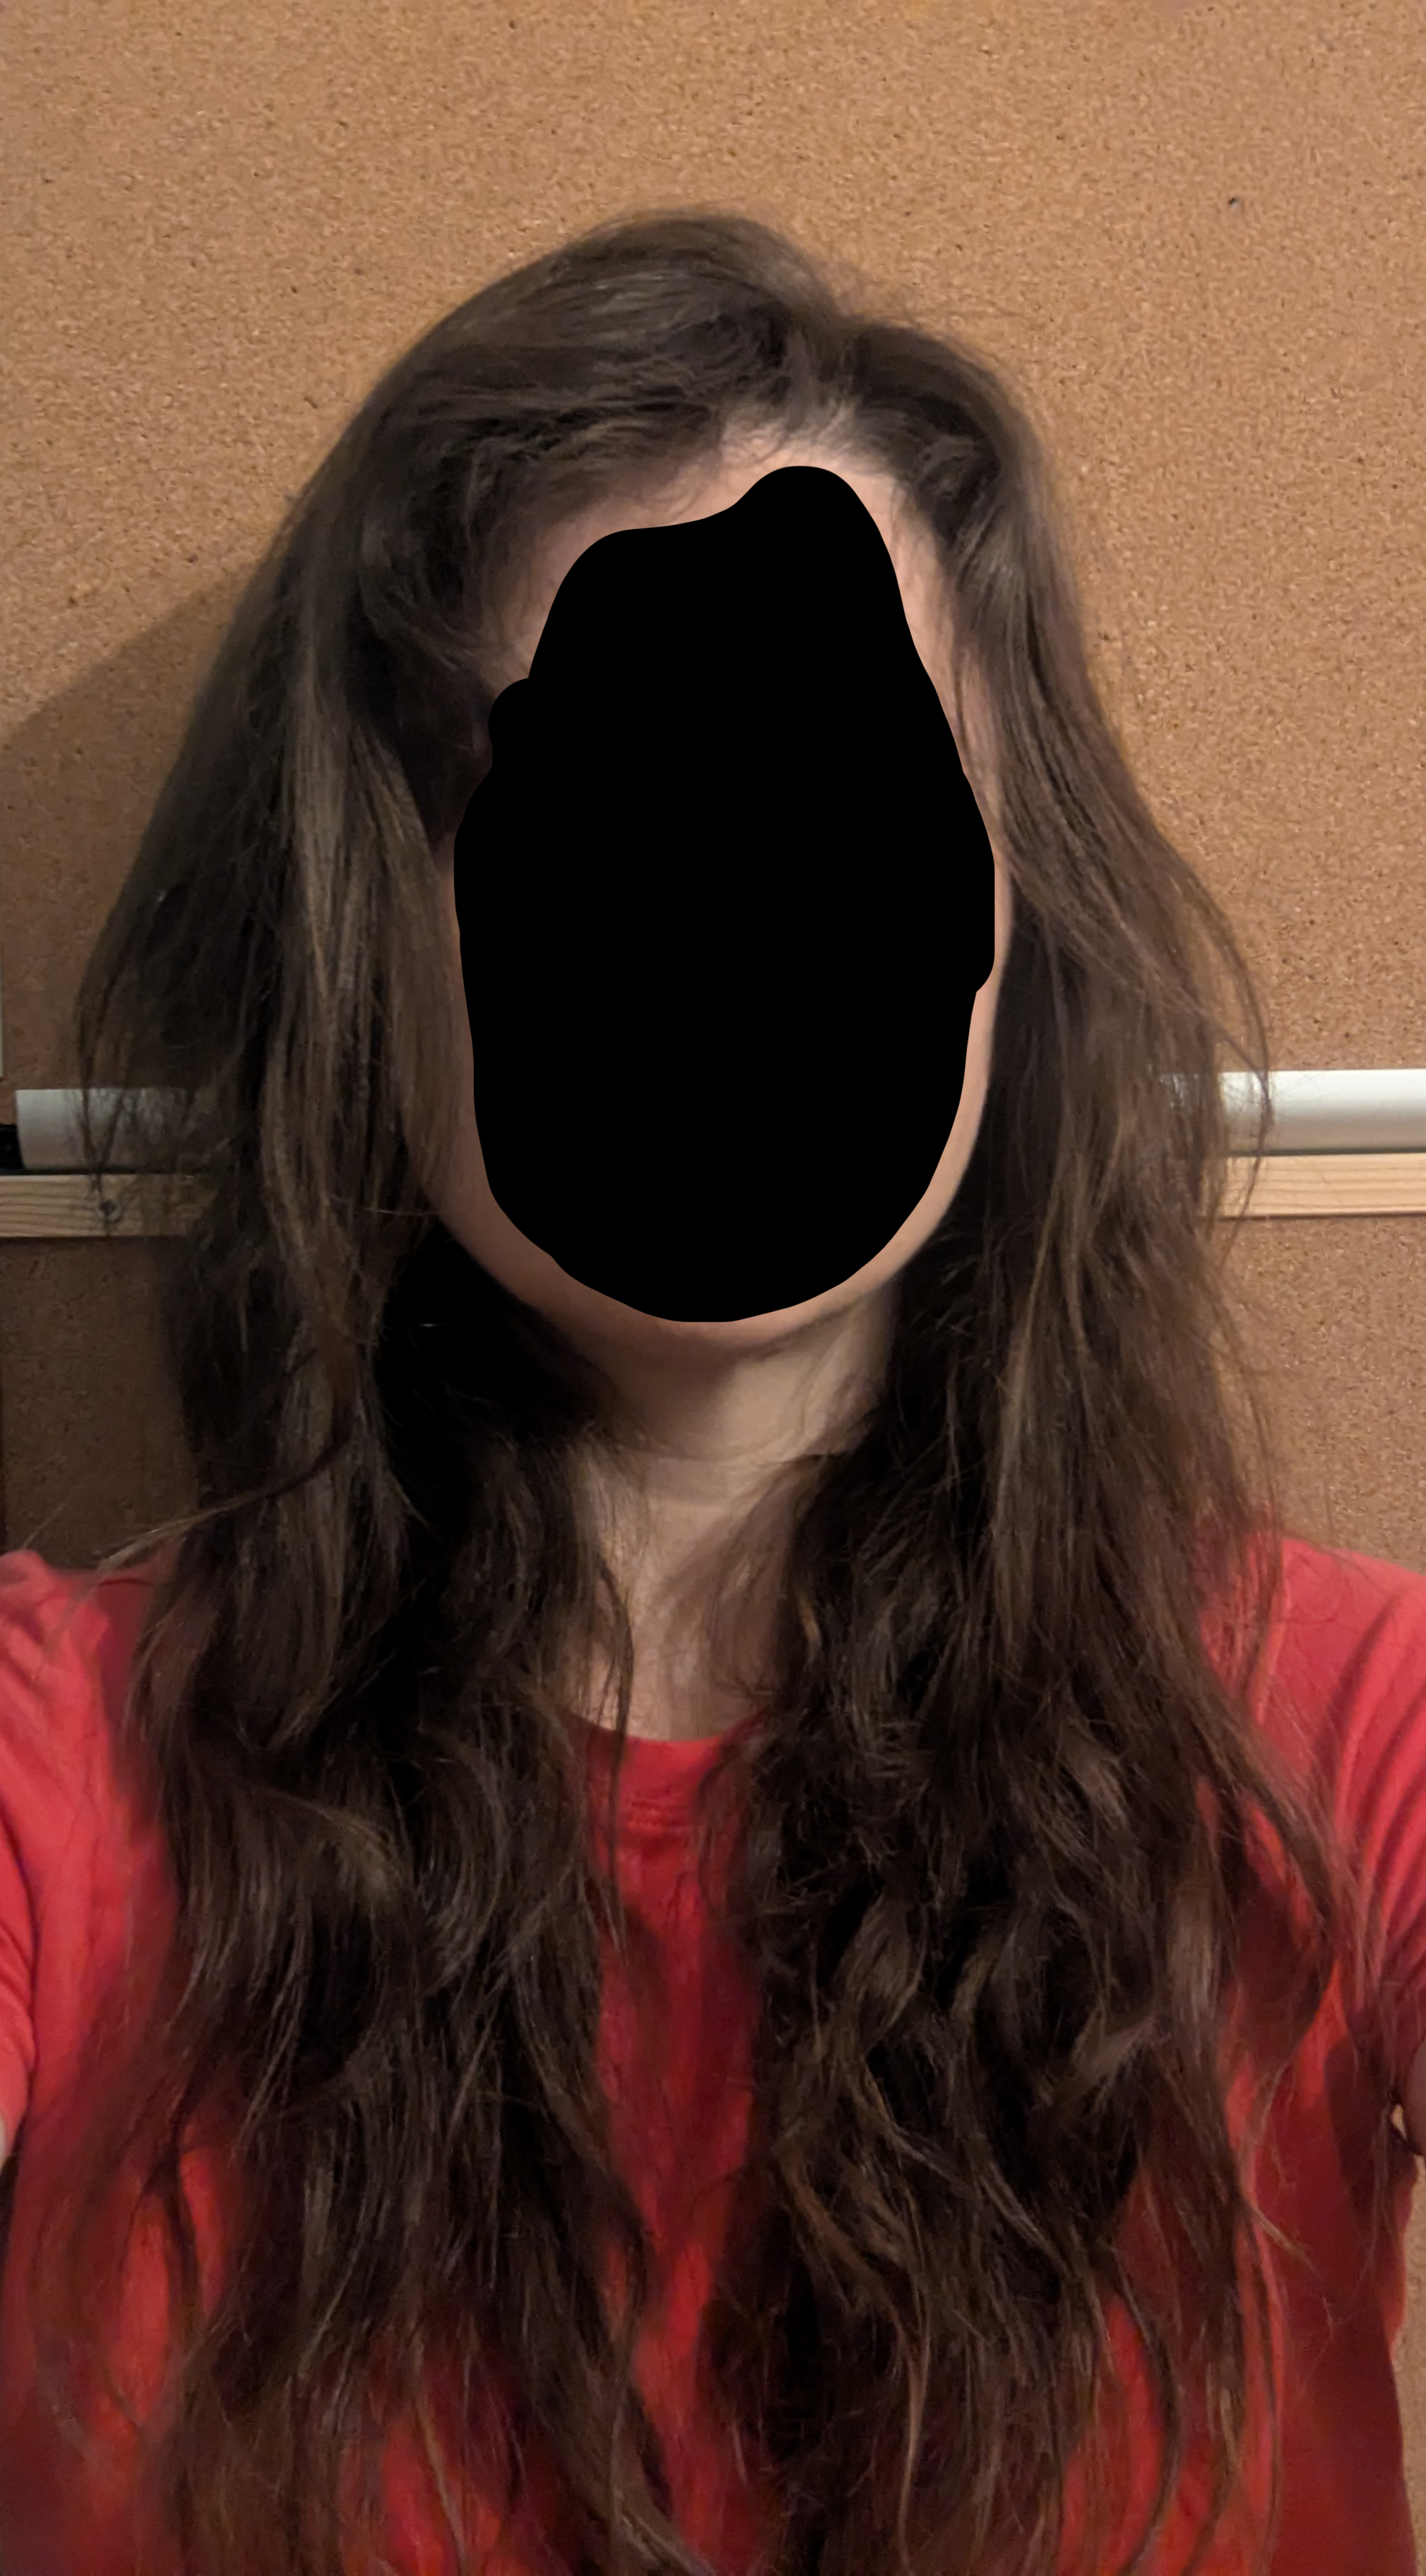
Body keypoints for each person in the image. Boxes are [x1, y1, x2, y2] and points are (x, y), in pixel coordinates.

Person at [0, 206, 1424, 2576]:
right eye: (602, 811)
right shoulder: (63, 1763)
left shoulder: (1347, 1731)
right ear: (372, 936)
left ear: (1010, 930)